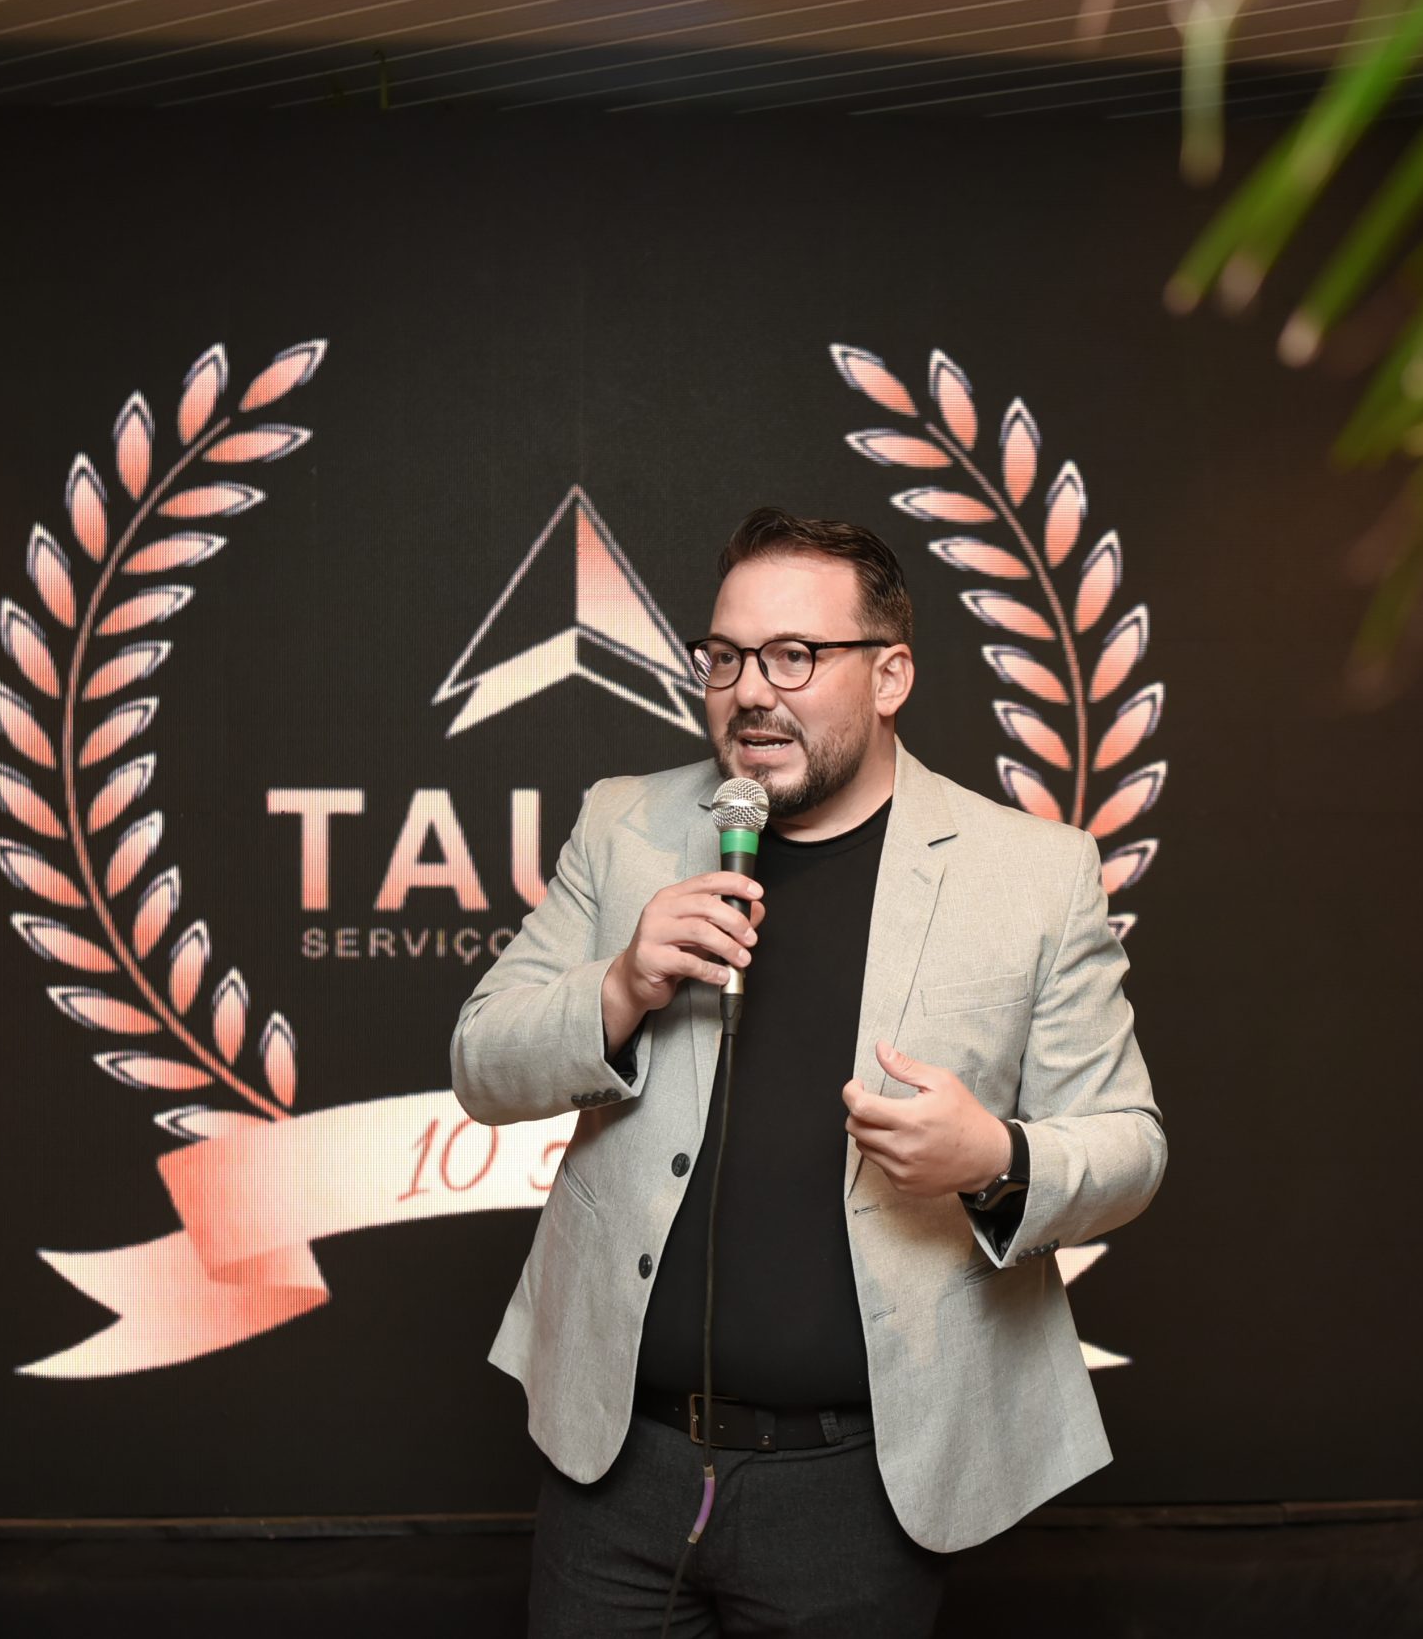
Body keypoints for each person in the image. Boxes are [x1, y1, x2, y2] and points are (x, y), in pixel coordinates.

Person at [451, 509, 1165, 1637]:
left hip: (861, 1487)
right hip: (616, 1464)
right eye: (725, 656)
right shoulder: (626, 825)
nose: (750, 692)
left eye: (794, 655)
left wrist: (994, 1157)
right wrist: (620, 985)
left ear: (890, 676)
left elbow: (1129, 1142)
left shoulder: (1032, 873)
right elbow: (482, 1063)